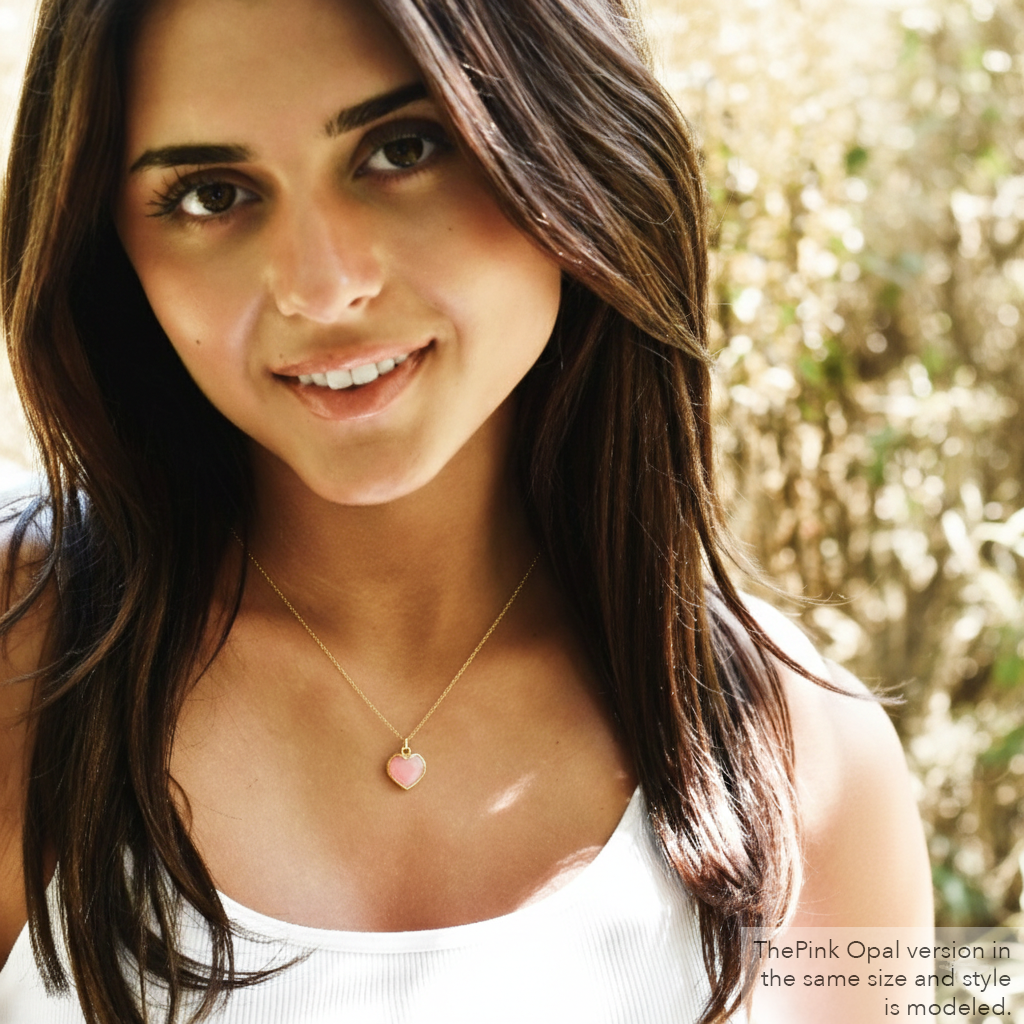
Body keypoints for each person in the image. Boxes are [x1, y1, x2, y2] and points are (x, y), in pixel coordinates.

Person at [0, 0, 932, 1020]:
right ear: (112, 246)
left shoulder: (815, 767)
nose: (323, 286)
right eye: (212, 193)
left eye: (402, 147)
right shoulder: (26, 663)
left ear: (571, 144)